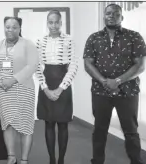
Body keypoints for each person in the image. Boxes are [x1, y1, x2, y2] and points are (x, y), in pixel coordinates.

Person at [83, 4, 146, 164]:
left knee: (131, 131)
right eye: (108, 13)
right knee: (99, 130)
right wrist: (105, 81)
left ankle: (136, 161)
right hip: (100, 91)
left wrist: (118, 81)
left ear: (122, 17)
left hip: (128, 92)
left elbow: (140, 65)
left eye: (116, 14)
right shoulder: (94, 38)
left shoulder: (134, 37)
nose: (111, 16)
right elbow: (88, 64)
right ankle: (97, 161)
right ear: (104, 16)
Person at [0, 16, 39, 164]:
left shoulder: (29, 45)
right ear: (4, 27)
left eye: (14, 27)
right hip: (4, 90)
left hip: (24, 89)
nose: (10, 30)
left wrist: (13, 79)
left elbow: (32, 65)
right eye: (7, 26)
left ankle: (24, 159)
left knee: (25, 125)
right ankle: (11, 156)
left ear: (20, 28)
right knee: (7, 123)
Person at [35, 10, 78, 164]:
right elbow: (37, 66)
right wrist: (45, 88)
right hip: (46, 83)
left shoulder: (69, 40)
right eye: (50, 22)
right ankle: (52, 159)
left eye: (56, 22)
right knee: (48, 123)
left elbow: (73, 65)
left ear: (61, 23)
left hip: (63, 85)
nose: (53, 25)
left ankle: (61, 160)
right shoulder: (40, 40)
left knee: (63, 123)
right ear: (47, 23)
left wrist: (61, 88)